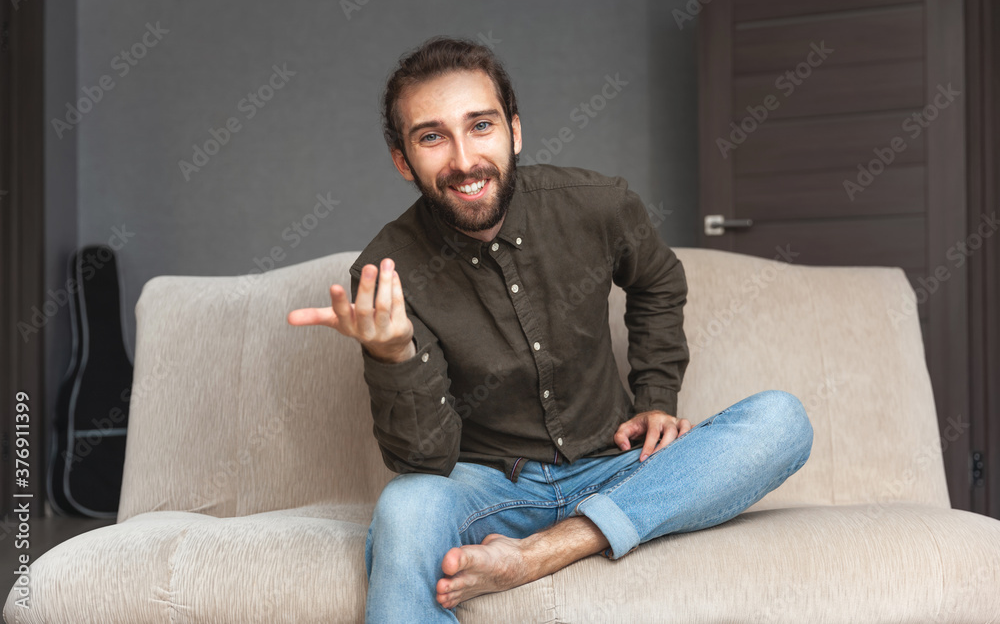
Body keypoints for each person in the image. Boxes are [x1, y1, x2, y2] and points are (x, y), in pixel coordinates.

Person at [287, 36, 814, 622]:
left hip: (616, 468)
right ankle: (579, 532)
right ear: (402, 160)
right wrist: (394, 354)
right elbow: (426, 460)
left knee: (781, 421)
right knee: (405, 506)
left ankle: (545, 552)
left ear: (514, 131)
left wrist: (657, 395)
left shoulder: (597, 205)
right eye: (432, 136)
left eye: (480, 126)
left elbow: (658, 281)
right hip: (492, 492)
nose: (463, 160)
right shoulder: (386, 275)